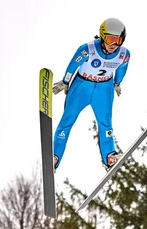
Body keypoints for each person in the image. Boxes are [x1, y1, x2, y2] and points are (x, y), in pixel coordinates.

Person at [51, 17, 130, 172]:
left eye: (118, 40)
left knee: (105, 123)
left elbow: (122, 68)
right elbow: (73, 64)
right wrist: (66, 82)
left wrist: (117, 82)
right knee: (67, 119)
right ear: (102, 36)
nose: (113, 44)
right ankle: (54, 156)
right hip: (82, 86)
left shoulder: (124, 54)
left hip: (104, 89)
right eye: (110, 39)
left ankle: (109, 156)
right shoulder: (88, 49)